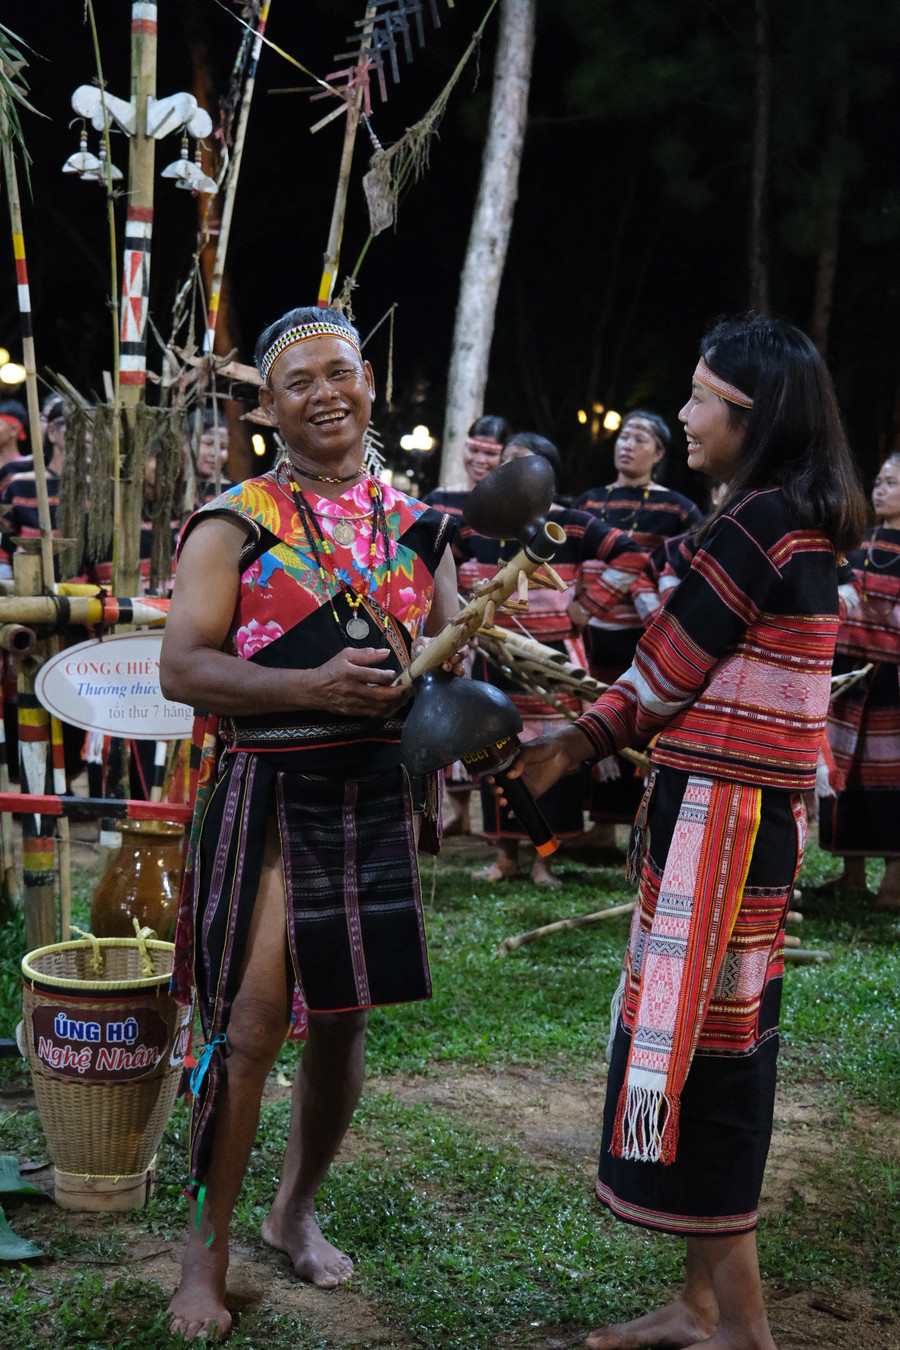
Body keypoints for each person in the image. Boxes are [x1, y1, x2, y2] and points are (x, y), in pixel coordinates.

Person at [501, 314, 866, 1350]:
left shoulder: (762, 524)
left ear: (750, 417)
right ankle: (701, 1303)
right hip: (742, 823)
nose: (684, 414)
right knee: (716, 1045)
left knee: (709, 1061)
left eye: (703, 398)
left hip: (723, 825)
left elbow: (661, 674)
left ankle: (737, 1325)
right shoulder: (788, 518)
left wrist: (562, 748)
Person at [160, 305, 460, 1341]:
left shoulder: (418, 523)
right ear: (270, 407)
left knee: (342, 1020)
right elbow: (183, 667)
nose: (325, 393)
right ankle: (203, 1253)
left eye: (341, 372)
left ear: (370, 380)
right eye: (299, 382)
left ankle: (294, 1207)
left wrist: (452, 682)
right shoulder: (234, 520)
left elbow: (440, 651)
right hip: (270, 797)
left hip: (372, 796)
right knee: (246, 1031)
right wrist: (315, 690)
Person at [457, 431, 647, 884]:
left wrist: (589, 605)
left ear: (544, 474)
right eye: (504, 463)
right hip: (494, 654)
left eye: (519, 464)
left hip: (551, 656)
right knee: (494, 748)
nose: (507, 473)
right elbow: (443, 558)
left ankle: (544, 860)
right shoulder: (482, 522)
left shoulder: (572, 523)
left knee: (550, 752)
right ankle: (505, 856)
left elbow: (631, 554)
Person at [572, 412, 704, 852]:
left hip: (644, 637)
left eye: (640, 438)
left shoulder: (679, 509)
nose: (627, 444)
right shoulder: (589, 502)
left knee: (639, 723)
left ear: (660, 452)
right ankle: (601, 826)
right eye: (623, 436)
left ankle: (639, 827)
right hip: (589, 634)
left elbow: (684, 568)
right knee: (594, 717)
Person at [818, 451, 900, 909]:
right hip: (849, 675)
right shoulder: (855, 545)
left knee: (892, 777)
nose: (879, 489)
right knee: (844, 770)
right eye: (879, 481)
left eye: (891, 482)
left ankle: (894, 880)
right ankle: (851, 874)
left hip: (894, 681)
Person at [423, 414, 511, 835]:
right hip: (453, 615)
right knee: (453, 699)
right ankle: (455, 810)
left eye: (489, 453)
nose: (478, 459)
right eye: (473, 449)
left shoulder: (508, 501)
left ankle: (499, 815)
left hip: (499, 621)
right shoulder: (437, 499)